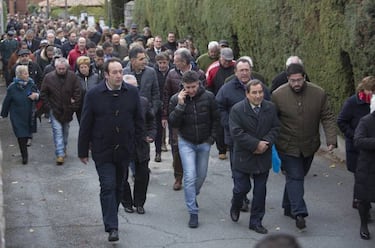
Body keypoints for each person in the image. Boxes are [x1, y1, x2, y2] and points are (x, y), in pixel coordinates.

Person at [78, 58, 144, 242]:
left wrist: (138, 144)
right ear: (106, 75)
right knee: (107, 185)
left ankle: (111, 215)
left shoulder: (131, 92)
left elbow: (139, 120)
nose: (118, 75)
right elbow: (86, 123)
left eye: (120, 72)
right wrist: (83, 150)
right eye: (114, 72)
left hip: (124, 148)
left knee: (118, 186)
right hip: (102, 148)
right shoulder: (93, 94)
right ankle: (112, 226)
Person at [271, 63, 337, 229]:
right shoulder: (278, 95)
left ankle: (288, 205)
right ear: (288, 79)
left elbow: (327, 116)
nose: (296, 84)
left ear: (304, 77)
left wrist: (331, 139)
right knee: (296, 176)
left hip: (309, 144)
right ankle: (299, 212)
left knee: (297, 176)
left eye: (299, 80)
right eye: (292, 81)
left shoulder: (318, 93)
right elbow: (271, 119)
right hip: (286, 144)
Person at [216, 57, 270, 212]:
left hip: (257, 139)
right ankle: (242, 197)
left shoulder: (261, 88)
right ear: (235, 72)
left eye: (247, 70)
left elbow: (270, 108)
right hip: (236, 140)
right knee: (239, 174)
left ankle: (255, 205)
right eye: (241, 70)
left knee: (258, 174)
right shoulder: (226, 89)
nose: (244, 73)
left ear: (251, 71)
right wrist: (230, 124)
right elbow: (219, 108)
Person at [168, 70, 219, 228]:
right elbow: (173, 123)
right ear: (182, 86)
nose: (191, 90)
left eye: (194, 86)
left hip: (204, 142)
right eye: (188, 87)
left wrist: (212, 138)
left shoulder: (209, 97)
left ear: (199, 84)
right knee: (189, 176)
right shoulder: (176, 99)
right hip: (186, 141)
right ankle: (193, 212)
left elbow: (216, 119)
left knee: (201, 175)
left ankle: (192, 194)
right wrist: (180, 106)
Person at [229, 79, 280, 234]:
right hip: (244, 155)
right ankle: (236, 204)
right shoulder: (237, 110)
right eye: (254, 93)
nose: (258, 96)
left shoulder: (270, 108)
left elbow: (276, 128)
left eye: (260, 92)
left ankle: (256, 221)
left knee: (260, 191)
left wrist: (266, 142)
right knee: (242, 188)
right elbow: (236, 133)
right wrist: (255, 144)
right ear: (247, 94)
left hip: (263, 156)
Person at [162, 48, 206, 190]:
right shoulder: (171, 74)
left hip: (196, 116)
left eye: (176, 61)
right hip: (177, 114)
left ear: (185, 62)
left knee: (196, 146)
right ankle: (178, 177)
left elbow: (205, 95)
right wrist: (165, 115)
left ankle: (193, 174)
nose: (174, 64)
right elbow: (166, 95)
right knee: (176, 147)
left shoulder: (199, 74)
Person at [337, 76, 375, 209]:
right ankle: (361, 202)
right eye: (370, 91)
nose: (372, 94)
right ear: (363, 89)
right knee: (360, 176)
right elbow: (341, 121)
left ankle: (361, 200)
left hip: (370, 147)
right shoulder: (352, 103)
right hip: (356, 146)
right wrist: (354, 135)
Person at [121, 74, 156, 215]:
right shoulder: (116, 102)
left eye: (135, 87)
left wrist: (151, 135)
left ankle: (139, 203)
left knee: (143, 175)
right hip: (122, 144)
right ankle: (127, 202)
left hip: (141, 144)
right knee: (122, 175)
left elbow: (151, 120)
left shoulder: (143, 101)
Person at [40, 57, 82, 165]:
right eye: (60, 69)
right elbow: (43, 93)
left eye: (64, 68)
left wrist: (74, 106)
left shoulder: (72, 77)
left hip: (68, 109)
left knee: (65, 131)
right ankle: (60, 153)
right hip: (54, 109)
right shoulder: (48, 78)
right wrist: (49, 107)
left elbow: (78, 92)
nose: (62, 70)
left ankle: (63, 148)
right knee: (57, 131)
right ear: (55, 67)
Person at [1, 65, 39, 165]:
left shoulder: (31, 84)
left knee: (26, 135)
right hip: (17, 116)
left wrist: (36, 96)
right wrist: (3, 113)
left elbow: (38, 94)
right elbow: (7, 102)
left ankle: (25, 149)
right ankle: (24, 156)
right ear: (19, 75)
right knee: (20, 135)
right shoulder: (12, 87)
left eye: (27, 73)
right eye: (25, 73)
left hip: (29, 114)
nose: (27, 75)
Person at [206, 47, 236, 160]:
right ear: (220, 58)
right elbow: (208, 85)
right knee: (220, 124)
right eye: (225, 60)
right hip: (218, 99)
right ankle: (221, 149)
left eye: (229, 61)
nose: (227, 63)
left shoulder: (236, 66)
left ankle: (231, 144)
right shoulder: (213, 68)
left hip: (233, 99)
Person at [353, 94, 375, 240]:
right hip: (368, 165)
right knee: (364, 198)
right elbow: (358, 140)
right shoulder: (366, 121)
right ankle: (363, 225)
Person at [154, 52, 172, 162]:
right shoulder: (154, 72)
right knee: (159, 129)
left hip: (171, 102)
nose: (162, 65)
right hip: (159, 103)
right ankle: (158, 151)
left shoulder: (172, 72)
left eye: (164, 62)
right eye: (160, 63)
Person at [75, 56, 100, 122]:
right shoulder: (75, 78)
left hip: (94, 105)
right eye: (81, 67)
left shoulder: (96, 77)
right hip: (81, 106)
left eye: (85, 67)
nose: (83, 69)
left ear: (89, 67)